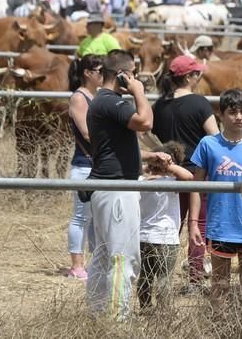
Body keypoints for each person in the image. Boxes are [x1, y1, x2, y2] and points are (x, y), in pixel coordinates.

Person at [85, 50, 163, 320]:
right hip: (117, 191)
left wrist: (148, 158)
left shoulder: (103, 102)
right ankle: (118, 322)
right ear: (122, 75)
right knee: (123, 258)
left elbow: (111, 148)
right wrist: (139, 91)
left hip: (110, 188)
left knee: (105, 256)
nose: (136, 79)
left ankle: (97, 315)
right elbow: (146, 121)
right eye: (133, 74)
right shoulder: (109, 101)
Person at [189, 88, 242, 309]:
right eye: (232, 112)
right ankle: (218, 329)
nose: (239, 117)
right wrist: (193, 223)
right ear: (221, 115)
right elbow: (195, 185)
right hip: (220, 225)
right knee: (220, 284)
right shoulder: (208, 144)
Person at [151, 55, 219, 294]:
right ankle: (195, 280)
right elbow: (214, 136)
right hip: (197, 174)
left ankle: (160, 277)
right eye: (197, 74)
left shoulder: (160, 105)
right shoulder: (200, 104)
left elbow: (153, 136)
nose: (199, 77)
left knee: (169, 226)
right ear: (189, 77)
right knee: (198, 226)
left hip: (169, 174)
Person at [138, 141, 193, 310]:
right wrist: (169, 166)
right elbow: (189, 176)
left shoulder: (141, 180)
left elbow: (138, 170)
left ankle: (145, 309)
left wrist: (151, 165)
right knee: (164, 279)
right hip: (167, 239)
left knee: (145, 278)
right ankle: (163, 314)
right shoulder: (172, 181)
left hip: (143, 236)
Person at [66, 54, 104, 280]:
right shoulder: (79, 98)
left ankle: (91, 262)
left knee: (95, 217)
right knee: (81, 216)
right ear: (88, 73)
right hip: (84, 164)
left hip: (95, 163)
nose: (103, 75)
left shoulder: (95, 95)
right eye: (100, 71)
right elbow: (87, 133)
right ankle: (76, 265)